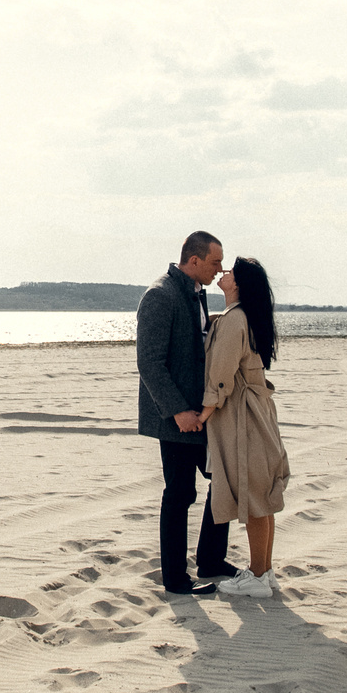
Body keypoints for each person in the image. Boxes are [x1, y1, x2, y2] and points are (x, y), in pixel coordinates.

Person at [137, 230, 238, 595]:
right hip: (175, 418)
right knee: (179, 494)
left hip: (203, 415)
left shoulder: (196, 293)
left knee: (224, 482)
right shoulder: (160, 295)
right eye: (214, 262)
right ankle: (175, 579)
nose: (219, 269)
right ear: (193, 260)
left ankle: (210, 559)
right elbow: (149, 363)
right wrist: (179, 411)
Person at [203, 256, 291, 598]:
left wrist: (203, 415)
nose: (223, 274)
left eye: (230, 272)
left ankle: (256, 576)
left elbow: (221, 379)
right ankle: (263, 571)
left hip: (245, 418)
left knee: (255, 497)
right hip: (260, 414)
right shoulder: (243, 318)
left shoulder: (235, 320)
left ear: (238, 284)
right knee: (263, 496)